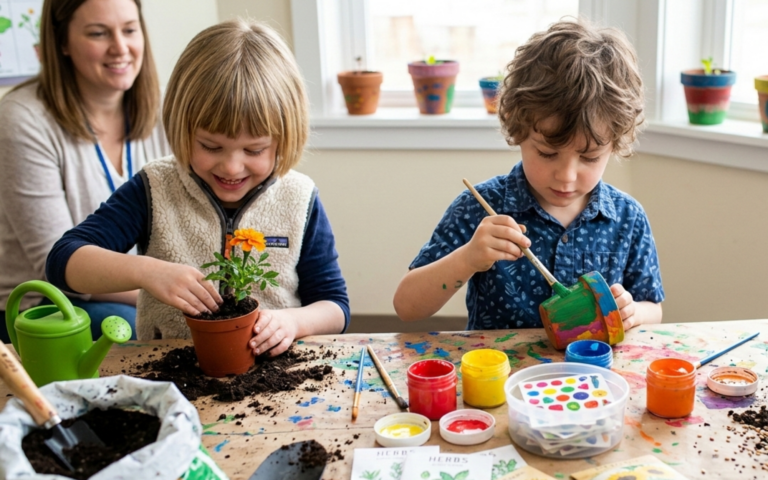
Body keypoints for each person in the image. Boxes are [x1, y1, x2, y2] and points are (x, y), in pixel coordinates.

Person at [46, 19, 349, 355]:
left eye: (254, 150)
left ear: (284, 139)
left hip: (275, 374)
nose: (232, 167)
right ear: (181, 128)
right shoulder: (154, 188)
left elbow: (335, 306)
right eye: (210, 146)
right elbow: (63, 262)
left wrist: (295, 322)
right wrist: (147, 272)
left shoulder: (299, 198)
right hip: (169, 372)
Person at [393, 20, 664, 332]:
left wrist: (633, 313)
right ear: (517, 129)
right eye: (547, 153)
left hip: (595, 375)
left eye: (589, 157)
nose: (566, 176)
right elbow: (407, 307)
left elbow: (652, 308)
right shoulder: (480, 207)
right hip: (500, 378)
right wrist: (467, 258)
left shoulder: (628, 218)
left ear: (614, 144)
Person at [0, 0, 169, 342]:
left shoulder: (167, 112)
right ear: (62, 42)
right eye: (98, 33)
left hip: (153, 290)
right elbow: (54, 265)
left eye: (130, 30)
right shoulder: (21, 120)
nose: (120, 48)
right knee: (131, 328)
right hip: (47, 305)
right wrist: (166, 297)